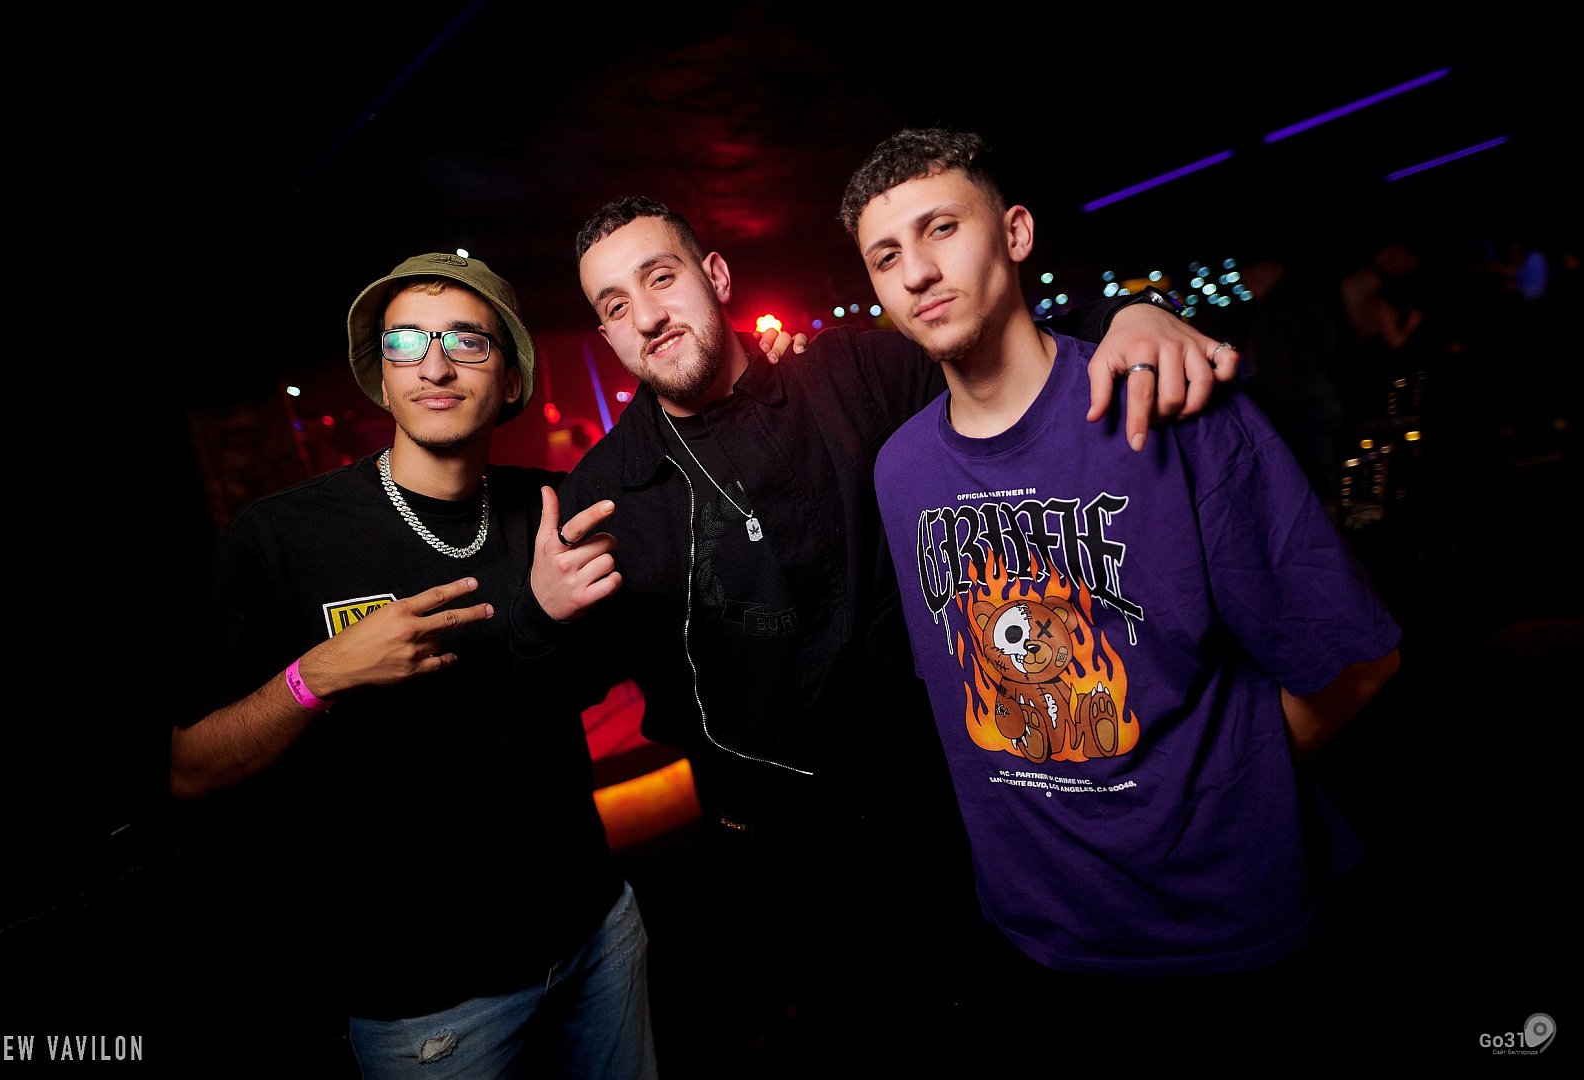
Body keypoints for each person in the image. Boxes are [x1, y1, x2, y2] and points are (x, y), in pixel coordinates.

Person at [520, 195, 1237, 1065]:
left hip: (952, 807)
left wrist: (1122, 319)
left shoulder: (850, 373)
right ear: (605, 333)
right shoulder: (603, 494)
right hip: (779, 860)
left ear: (716, 276)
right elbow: (564, 694)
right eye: (615, 305)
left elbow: (996, 353)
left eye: (660, 278)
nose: (647, 317)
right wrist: (546, 618)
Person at [853, 130, 1401, 1052]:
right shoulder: (900, 470)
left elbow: (1357, 663)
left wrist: (1221, 797)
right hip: (1039, 940)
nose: (916, 272)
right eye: (885, 255)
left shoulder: (1169, 403)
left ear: (1016, 233)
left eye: (941, 228)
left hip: (1224, 926)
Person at [170, 253, 654, 1079]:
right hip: (429, 1004)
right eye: (406, 342)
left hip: (596, 936)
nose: (435, 365)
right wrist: (316, 676)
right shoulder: (283, 539)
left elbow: (591, 678)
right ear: (383, 380)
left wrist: (550, 617)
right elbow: (190, 768)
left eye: (467, 341)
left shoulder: (550, 511)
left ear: (510, 379)